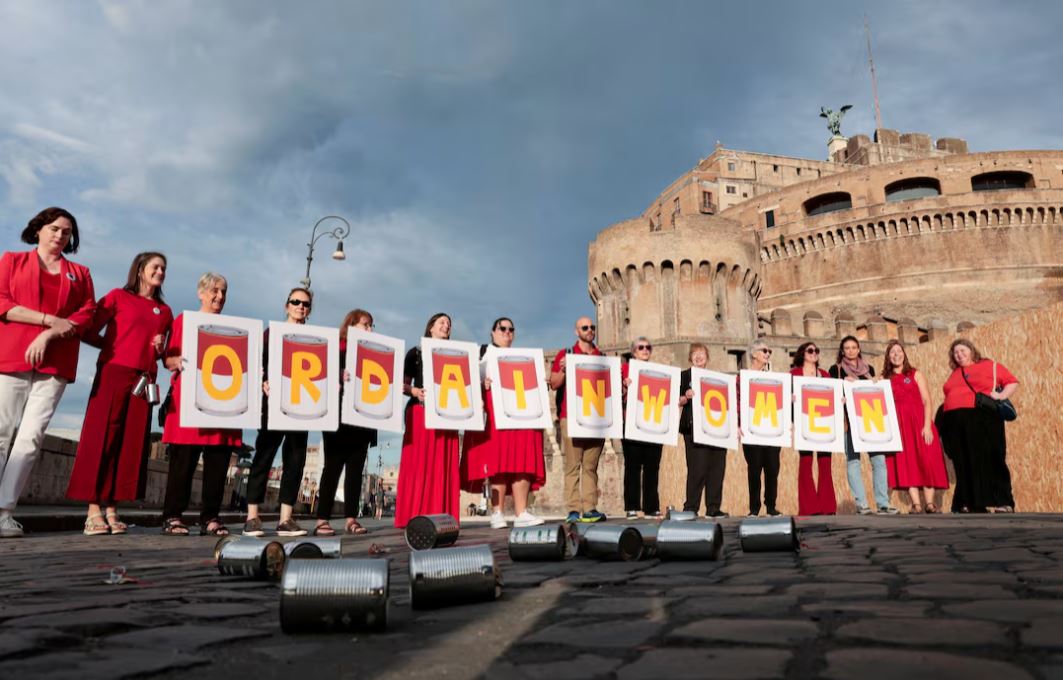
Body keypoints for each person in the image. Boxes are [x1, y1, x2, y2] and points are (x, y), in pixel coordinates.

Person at [0, 208, 96, 538]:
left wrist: (49, 334)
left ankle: (5, 511)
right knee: (1, 431)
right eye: (54, 228)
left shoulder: (80, 273)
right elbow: (1, 302)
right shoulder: (12, 261)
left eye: (67, 232)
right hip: (12, 356)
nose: (60, 236)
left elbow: (87, 314)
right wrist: (47, 320)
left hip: (56, 362)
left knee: (31, 437)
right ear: (39, 229)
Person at [66, 252, 173, 535]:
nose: (160, 272)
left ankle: (112, 508)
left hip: (144, 379)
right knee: (103, 435)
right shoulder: (117, 297)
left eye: (164, 268)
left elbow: (164, 354)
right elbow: (89, 330)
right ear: (140, 270)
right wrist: (112, 346)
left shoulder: (164, 311)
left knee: (130, 442)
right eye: (156, 267)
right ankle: (93, 509)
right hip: (114, 372)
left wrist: (160, 348)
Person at [158, 273, 241, 536]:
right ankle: (173, 516)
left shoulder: (234, 329)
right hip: (189, 402)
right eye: (215, 290)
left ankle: (211, 518)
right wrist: (176, 362)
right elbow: (168, 359)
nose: (220, 296)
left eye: (224, 291)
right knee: (183, 462)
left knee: (218, 462)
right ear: (201, 293)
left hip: (222, 403)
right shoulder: (184, 321)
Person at [460, 317, 545, 529]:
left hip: (521, 410)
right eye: (502, 328)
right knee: (498, 462)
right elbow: (467, 379)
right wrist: (482, 383)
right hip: (495, 410)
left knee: (522, 460)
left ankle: (521, 512)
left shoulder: (521, 358)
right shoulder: (482, 353)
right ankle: (497, 512)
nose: (507, 332)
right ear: (493, 332)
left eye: (511, 329)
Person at [243, 287, 313, 537]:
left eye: (305, 304)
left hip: (300, 407)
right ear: (287, 306)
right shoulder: (270, 334)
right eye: (296, 302)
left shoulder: (314, 338)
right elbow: (256, 363)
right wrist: (262, 381)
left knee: (295, 461)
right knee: (264, 456)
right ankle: (252, 517)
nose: (300, 306)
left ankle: (285, 519)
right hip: (272, 405)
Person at [314, 308, 377, 536]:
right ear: (351, 325)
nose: (369, 329)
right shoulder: (335, 347)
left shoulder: (374, 353)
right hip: (338, 417)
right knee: (332, 467)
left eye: (371, 325)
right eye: (365, 324)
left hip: (362, 418)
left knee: (355, 470)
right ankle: (322, 519)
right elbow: (319, 372)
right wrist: (337, 374)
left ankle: (351, 519)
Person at [394, 313, 461, 528]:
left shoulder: (456, 355)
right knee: (419, 465)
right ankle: (414, 514)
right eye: (441, 322)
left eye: (448, 323)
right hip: (420, 413)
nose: (446, 325)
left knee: (442, 466)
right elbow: (402, 385)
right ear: (430, 327)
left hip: (446, 416)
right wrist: (415, 391)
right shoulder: (415, 353)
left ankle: (441, 515)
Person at [937, 339, 1019, 513]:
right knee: (963, 461)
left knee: (992, 458)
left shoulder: (989, 365)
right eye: (955, 353)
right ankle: (971, 503)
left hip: (982, 418)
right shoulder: (955, 373)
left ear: (972, 350)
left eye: (962, 350)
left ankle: (1003, 502)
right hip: (955, 422)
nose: (959, 354)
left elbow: (1012, 381)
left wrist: (1000, 396)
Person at [828, 336, 897, 515]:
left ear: (859, 349)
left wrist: (875, 383)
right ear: (842, 351)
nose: (851, 351)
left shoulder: (869, 369)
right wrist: (842, 393)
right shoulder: (835, 370)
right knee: (853, 461)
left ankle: (883, 503)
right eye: (847, 348)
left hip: (870, 420)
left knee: (879, 461)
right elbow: (832, 395)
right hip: (849, 422)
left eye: (854, 347)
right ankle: (862, 504)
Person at [548, 316, 607, 524]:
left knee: (590, 466)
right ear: (577, 331)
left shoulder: (602, 357)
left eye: (592, 327)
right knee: (573, 466)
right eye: (585, 327)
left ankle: (590, 508)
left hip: (596, 417)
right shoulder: (567, 354)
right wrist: (564, 369)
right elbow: (554, 383)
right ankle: (573, 509)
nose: (590, 330)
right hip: (570, 417)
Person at [880, 340, 948, 513]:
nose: (896, 354)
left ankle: (930, 503)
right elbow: (869, 390)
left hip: (920, 423)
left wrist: (927, 426)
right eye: (892, 352)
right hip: (900, 427)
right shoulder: (884, 379)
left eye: (899, 351)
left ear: (904, 354)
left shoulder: (915, 374)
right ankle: (916, 504)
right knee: (908, 462)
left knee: (927, 460)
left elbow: (927, 400)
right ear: (888, 357)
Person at [676, 343, 729, 518]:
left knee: (716, 468)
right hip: (693, 428)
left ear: (707, 357)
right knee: (697, 468)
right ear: (690, 358)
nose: (698, 357)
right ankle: (691, 508)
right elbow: (675, 400)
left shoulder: (716, 378)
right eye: (695, 354)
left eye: (702, 353)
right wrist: (685, 396)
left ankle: (713, 508)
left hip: (716, 428)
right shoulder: (684, 376)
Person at [620, 337, 666, 519]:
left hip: (653, 423)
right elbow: (616, 393)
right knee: (632, 466)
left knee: (652, 466)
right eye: (641, 347)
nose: (645, 350)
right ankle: (632, 506)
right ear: (634, 352)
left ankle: (651, 507)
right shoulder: (624, 369)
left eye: (648, 347)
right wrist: (624, 386)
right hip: (631, 423)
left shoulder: (657, 371)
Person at [791, 342, 836, 516]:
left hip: (824, 422)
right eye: (810, 350)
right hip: (803, 422)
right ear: (802, 353)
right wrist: (790, 399)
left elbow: (832, 394)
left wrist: (840, 400)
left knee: (825, 463)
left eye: (816, 350)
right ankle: (809, 507)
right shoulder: (794, 374)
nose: (814, 353)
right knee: (806, 462)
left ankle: (827, 506)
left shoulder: (824, 374)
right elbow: (785, 396)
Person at [741, 340, 781, 517]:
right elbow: (737, 401)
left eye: (769, 351)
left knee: (772, 469)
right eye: (764, 351)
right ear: (754, 354)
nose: (767, 354)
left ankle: (771, 506)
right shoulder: (743, 377)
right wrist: (738, 424)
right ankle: (754, 508)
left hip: (772, 430)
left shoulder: (774, 378)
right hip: (752, 430)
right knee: (754, 470)